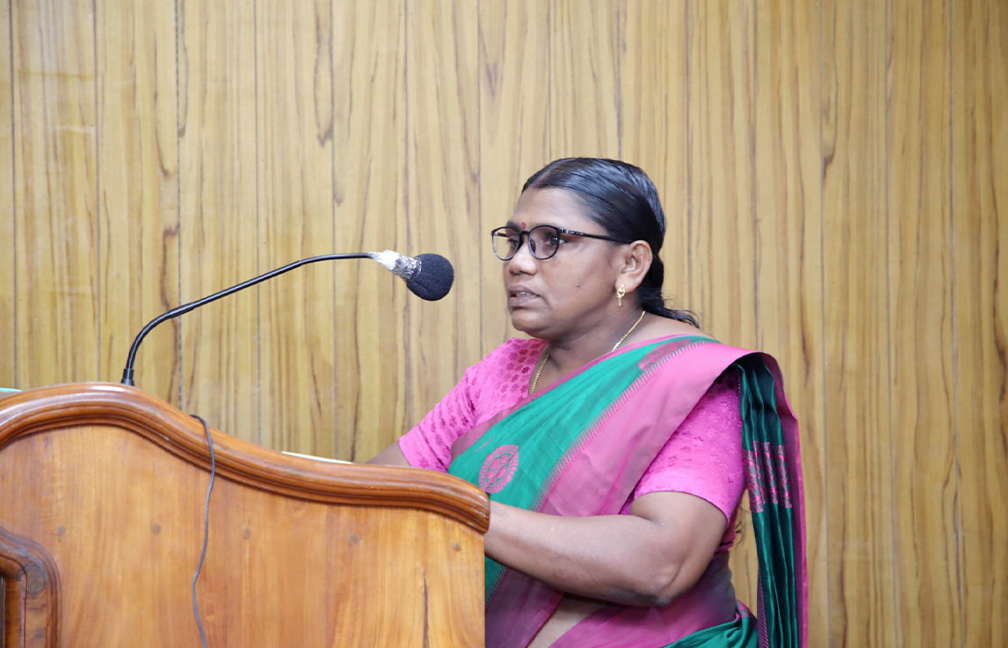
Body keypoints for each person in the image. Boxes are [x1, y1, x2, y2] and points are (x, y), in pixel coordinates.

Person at [369, 157, 806, 647]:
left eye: (552, 240)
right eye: (515, 241)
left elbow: (660, 563)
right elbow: (376, 491)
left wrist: (459, 509)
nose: (519, 262)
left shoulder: (693, 380)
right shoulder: (505, 368)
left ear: (631, 264)